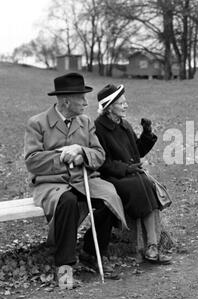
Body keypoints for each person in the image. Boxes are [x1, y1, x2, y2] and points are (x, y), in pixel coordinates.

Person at [24, 73, 128, 287]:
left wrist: (81, 151)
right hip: (51, 184)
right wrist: (63, 155)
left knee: (110, 198)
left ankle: (91, 251)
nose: (86, 102)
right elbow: (33, 162)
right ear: (66, 101)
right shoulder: (37, 123)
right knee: (68, 202)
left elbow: (99, 154)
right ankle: (64, 266)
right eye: (82, 98)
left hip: (83, 179)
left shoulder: (86, 121)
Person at [94, 83, 171, 265]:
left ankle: (152, 246)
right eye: (121, 103)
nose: (126, 106)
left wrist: (147, 133)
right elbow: (103, 163)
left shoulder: (124, 124)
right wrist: (127, 169)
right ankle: (151, 247)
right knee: (141, 183)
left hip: (130, 174)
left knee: (145, 182)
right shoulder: (98, 129)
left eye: (125, 102)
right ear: (109, 107)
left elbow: (137, 151)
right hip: (111, 177)